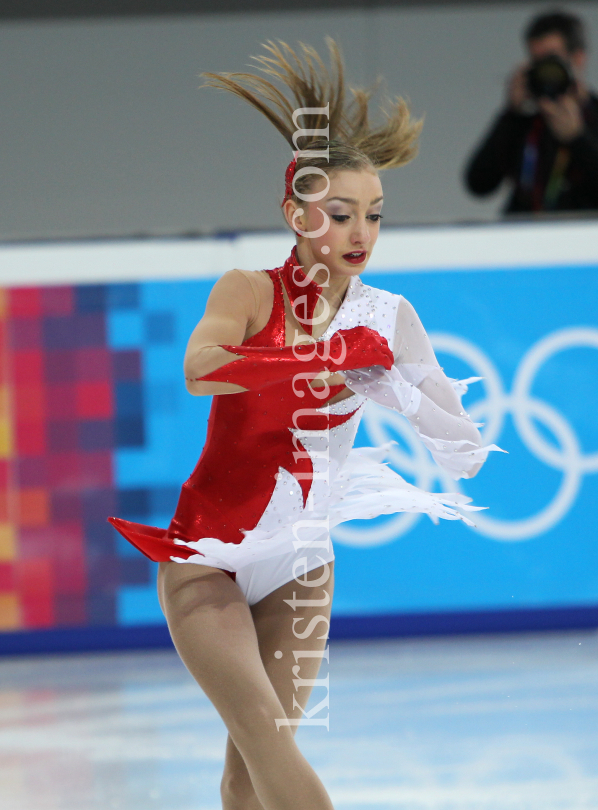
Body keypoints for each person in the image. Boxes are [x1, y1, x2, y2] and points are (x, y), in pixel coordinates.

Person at [109, 40, 501, 810]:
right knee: (261, 732)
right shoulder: (248, 289)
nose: (362, 232)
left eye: (375, 216)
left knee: (245, 778)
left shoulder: (389, 318)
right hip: (208, 554)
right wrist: (311, 361)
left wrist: (388, 383)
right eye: (341, 214)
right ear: (296, 214)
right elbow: (199, 368)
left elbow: (465, 457)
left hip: (302, 563)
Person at [465, 10, 598, 213]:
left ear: (578, 59)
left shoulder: (593, 115)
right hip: (526, 238)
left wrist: (577, 139)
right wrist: (512, 113)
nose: (544, 69)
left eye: (552, 60)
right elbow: (479, 184)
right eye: (537, 61)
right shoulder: (525, 123)